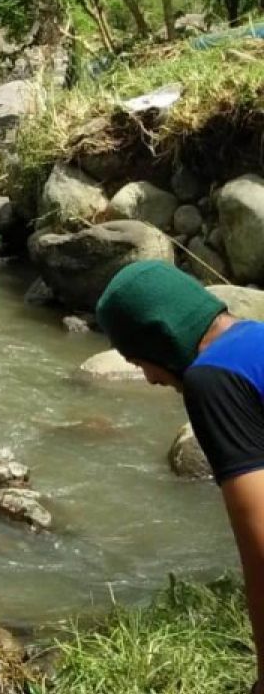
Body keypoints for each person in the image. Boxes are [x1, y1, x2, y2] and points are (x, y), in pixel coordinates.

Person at [96, 260, 264, 693]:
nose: (150, 379)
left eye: (139, 362)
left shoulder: (213, 381)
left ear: (161, 337)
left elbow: (261, 543)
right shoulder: (254, 340)